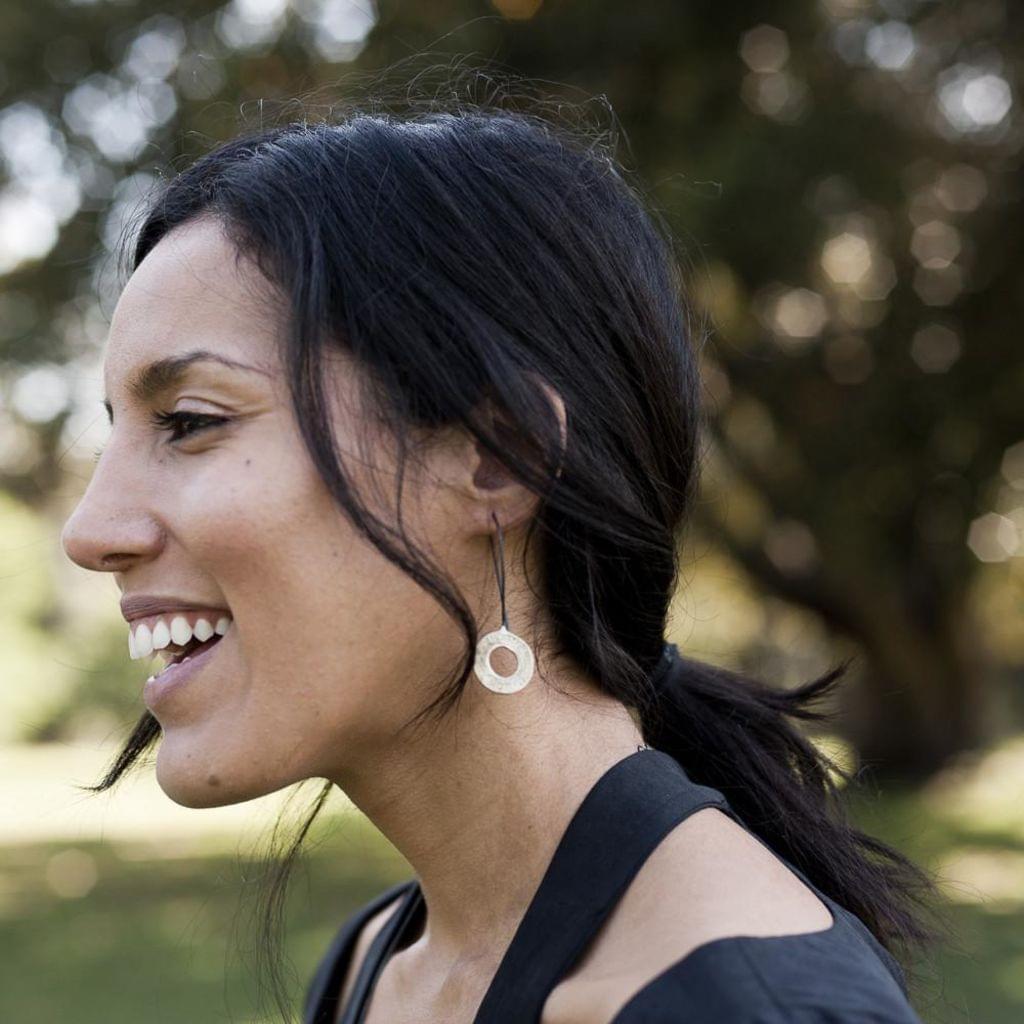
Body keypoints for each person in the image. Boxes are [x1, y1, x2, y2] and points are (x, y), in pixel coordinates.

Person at [61, 77, 942, 1023]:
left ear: (498, 457)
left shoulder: (745, 1007)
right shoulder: (376, 969)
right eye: (115, 431)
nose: (90, 531)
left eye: (190, 421)